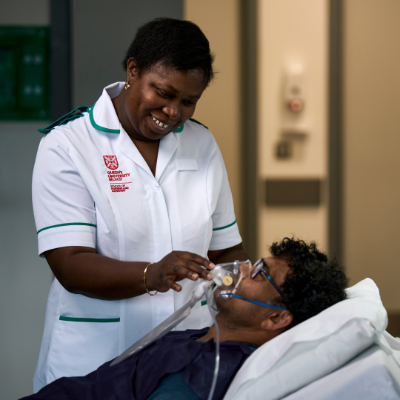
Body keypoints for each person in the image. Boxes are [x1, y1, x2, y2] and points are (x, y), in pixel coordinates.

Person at [32, 18, 248, 391]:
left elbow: (227, 249)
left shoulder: (201, 144)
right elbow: (69, 263)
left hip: (183, 353)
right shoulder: (68, 145)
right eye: (163, 93)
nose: (173, 112)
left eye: (188, 101)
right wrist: (152, 273)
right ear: (133, 70)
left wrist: (255, 305)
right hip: (94, 358)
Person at [22, 238, 348, 400]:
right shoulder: (199, 337)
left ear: (277, 318)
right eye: (255, 263)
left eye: (260, 274)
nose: (243, 268)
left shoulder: (202, 375)